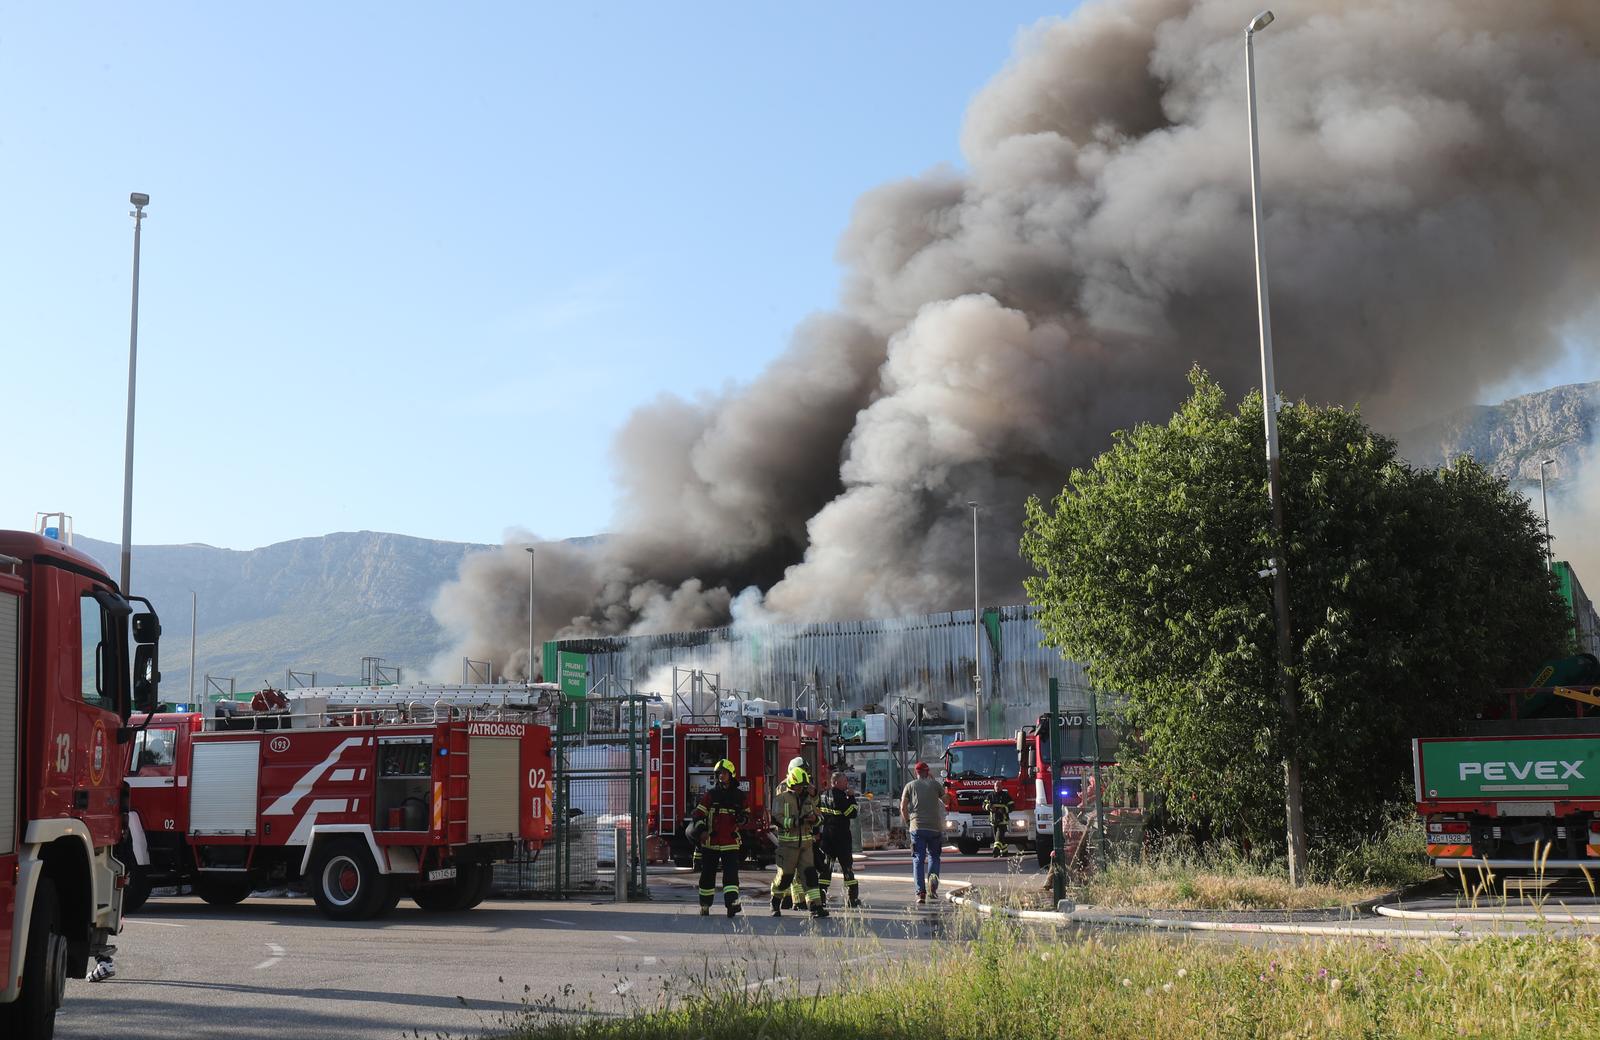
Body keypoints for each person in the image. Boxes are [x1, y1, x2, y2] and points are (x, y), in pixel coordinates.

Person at [688, 758, 746, 917]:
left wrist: (743, 819)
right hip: (711, 842)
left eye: (724, 773)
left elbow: (747, 816)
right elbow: (698, 814)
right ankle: (705, 905)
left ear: (731, 775)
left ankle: (732, 905)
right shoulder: (711, 795)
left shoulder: (739, 796)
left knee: (731, 876)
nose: (721, 776)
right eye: (719, 773)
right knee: (707, 876)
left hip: (730, 842)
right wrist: (702, 830)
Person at [769, 765, 827, 918]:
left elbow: (819, 817)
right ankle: (775, 901)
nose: (801, 788)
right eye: (798, 786)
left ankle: (816, 906)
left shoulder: (808, 799)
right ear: (791, 784)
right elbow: (776, 819)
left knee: (810, 876)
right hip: (788, 846)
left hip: (806, 845)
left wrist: (815, 819)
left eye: (803, 786)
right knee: (785, 876)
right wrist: (796, 822)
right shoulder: (781, 798)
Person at [900, 761, 946, 904]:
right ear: (928, 772)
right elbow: (946, 800)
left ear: (916, 773)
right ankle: (933, 889)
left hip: (917, 827)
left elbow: (903, 807)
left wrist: (908, 822)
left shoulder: (909, 786)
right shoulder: (935, 785)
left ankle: (921, 893)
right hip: (934, 828)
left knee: (918, 859)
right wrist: (936, 784)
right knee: (934, 857)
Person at [816, 770, 861, 907]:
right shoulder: (840, 796)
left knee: (826, 869)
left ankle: (821, 899)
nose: (847, 784)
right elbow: (852, 813)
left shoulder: (823, 795)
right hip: (841, 838)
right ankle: (852, 899)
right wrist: (851, 797)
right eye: (844, 781)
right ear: (835, 782)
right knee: (847, 868)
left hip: (827, 838)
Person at [985, 786, 1015, 857]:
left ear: (1001, 787)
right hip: (994, 820)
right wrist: (989, 807)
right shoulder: (990, 795)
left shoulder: (1005, 795)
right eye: (996, 786)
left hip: (1003, 820)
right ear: (994, 787)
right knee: (1000, 837)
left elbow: (1012, 806)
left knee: (998, 837)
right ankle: (1005, 852)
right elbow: (984, 804)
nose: (997, 787)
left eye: (999, 786)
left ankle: (996, 850)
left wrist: (1004, 810)